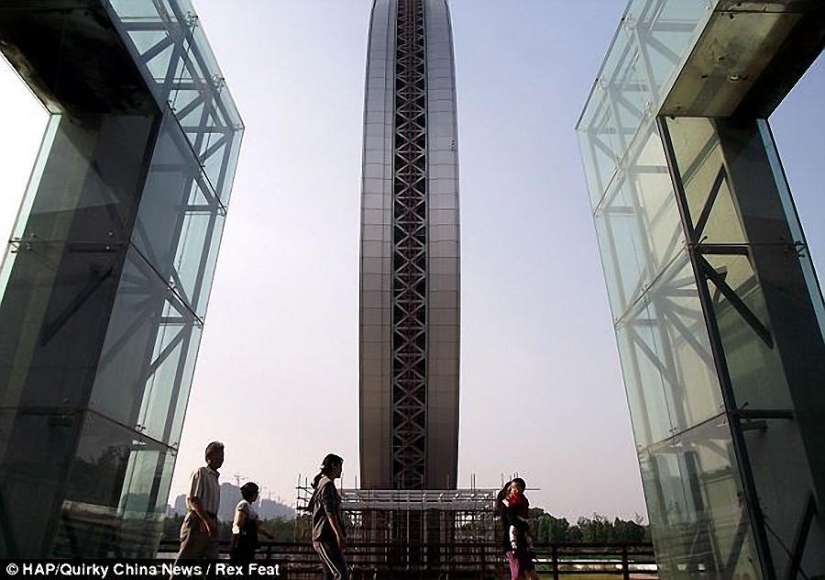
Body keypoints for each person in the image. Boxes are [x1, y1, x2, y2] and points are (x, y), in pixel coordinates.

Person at [174, 441, 224, 565]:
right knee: (186, 560)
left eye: (222, 456)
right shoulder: (201, 472)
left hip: (211, 521)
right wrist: (206, 521)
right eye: (218, 456)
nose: (222, 459)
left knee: (211, 561)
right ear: (209, 457)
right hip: (198, 520)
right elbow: (194, 499)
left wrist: (212, 523)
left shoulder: (215, 478)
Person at [309, 453, 348, 580]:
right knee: (341, 573)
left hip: (323, 535)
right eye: (340, 467)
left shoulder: (322, 483)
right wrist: (339, 535)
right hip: (325, 536)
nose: (341, 470)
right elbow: (330, 512)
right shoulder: (327, 485)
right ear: (334, 466)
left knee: (329, 575)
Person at [499, 478, 539, 580]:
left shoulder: (521, 502)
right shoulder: (506, 505)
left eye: (516, 488)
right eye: (511, 489)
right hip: (511, 544)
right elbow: (511, 520)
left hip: (522, 543)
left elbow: (524, 518)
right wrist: (524, 526)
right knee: (517, 575)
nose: (514, 490)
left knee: (532, 574)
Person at [230, 481, 277, 564]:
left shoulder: (248, 507)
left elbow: (256, 527)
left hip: (246, 542)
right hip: (241, 542)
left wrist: (267, 534)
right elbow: (239, 522)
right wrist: (254, 523)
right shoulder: (243, 505)